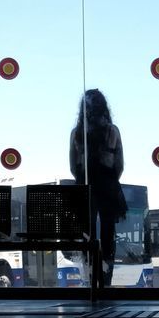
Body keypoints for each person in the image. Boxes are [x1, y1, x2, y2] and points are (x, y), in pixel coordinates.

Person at [70, 89, 127, 288]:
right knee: (108, 232)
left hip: (86, 187)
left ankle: (90, 278)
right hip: (108, 185)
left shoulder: (77, 133)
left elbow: (72, 166)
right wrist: (110, 178)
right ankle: (106, 280)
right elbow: (119, 164)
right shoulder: (113, 131)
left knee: (87, 234)